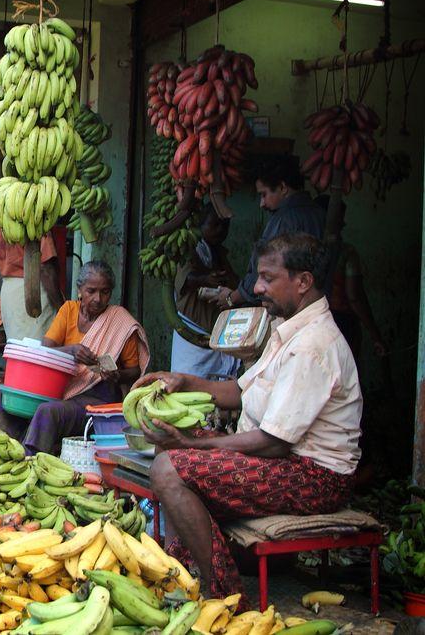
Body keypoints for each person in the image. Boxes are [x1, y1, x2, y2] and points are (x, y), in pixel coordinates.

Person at [142, 233, 362, 602]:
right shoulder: (288, 330)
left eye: (268, 278)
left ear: (303, 281)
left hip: (315, 475)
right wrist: (184, 381)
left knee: (169, 469)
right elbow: (242, 392)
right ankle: (182, 571)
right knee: (171, 443)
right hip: (282, 457)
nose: (257, 287)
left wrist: (201, 445)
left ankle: (224, 594)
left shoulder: (312, 346)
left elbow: (274, 442)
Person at [0, 261, 150, 455]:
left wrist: (117, 375)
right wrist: (71, 350)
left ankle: (29, 460)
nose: (98, 298)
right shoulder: (69, 310)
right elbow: (47, 350)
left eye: (105, 292)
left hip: (97, 396)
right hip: (57, 388)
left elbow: (135, 371)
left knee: (48, 411)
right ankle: (9, 448)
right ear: (80, 290)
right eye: (91, 291)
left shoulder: (120, 320)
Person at [218, 156, 325, 309]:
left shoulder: (284, 220)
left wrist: (232, 297)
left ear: (282, 188)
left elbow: (268, 270)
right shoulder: (318, 213)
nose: (262, 204)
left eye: (264, 194)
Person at [170, 205, 240, 378]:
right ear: (200, 225)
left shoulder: (219, 254)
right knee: (188, 386)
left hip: (214, 337)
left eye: (225, 226)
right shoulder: (188, 249)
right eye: (214, 225)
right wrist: (204, 279)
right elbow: (185, 280)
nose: (221, 231)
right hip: (192, 337)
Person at [313, 195, 386, 360]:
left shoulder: (304, 252)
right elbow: (354, 297)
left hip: (314, 321)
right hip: (342, 323)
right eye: (341, 220)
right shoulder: (346, 253)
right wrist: (375, 334)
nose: (344, 224)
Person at [0, 231, 64, 341]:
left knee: (19, 349)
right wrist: (62, 309)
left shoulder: (5, 221)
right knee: (37, 350)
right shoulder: (38, 222)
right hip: (32, 288)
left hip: (9, 292)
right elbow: (46, 269)